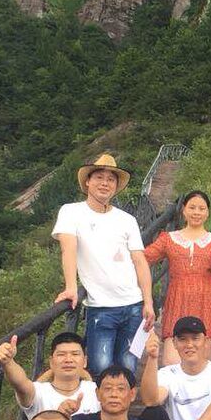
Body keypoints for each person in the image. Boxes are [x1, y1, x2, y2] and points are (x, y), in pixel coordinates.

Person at [52, 153, 155, 378]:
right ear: (88, 181)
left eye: (111, 179)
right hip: (101, 307)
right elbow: (68, 249)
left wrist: (148, 301)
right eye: (99, 177)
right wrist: (71, 286)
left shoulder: (127, 219)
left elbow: (139, 261)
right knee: (100, 371)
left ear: (116, 186)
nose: (105, 183)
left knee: (128, 369)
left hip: (134, 306)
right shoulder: (71, 212)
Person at [143, 190, 211, 367]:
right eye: (192, 207)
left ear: (207, 213)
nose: (196, 212)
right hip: (178, 300)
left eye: (201, 208)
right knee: (171, 363)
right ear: (183, 210)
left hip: (207, 302)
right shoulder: (168, 239)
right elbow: (144, 258)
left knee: (200, 364)